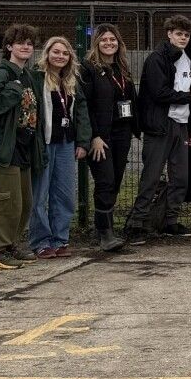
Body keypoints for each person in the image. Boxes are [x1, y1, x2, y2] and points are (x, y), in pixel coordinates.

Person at [122, 15, 191, 245]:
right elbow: (159, 93)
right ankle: (136, 225)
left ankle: (170, 221)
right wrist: (189, 96)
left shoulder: (189, 60)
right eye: (179, 34)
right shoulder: (156, 59)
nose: (183, 38)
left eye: (187, 35)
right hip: (160, 125)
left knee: (180, 178)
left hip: (181, 125)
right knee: (150, 177)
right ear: (169, 34)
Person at [0, 24, 45, 269]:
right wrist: (13, 91)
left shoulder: (27, 75)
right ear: (9, 47)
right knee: (4, 200)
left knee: (23, 201)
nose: (26, 47)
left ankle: (12, 244)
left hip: (21, 146)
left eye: (30, 44)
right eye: (20, 42)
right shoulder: (2, 74)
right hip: (1, 148)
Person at [28, 36, 91, 259]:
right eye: (56, 52)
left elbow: (81, 112)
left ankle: (60, 239)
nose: (60, 56)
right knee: (40, 195)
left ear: (70, 57)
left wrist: (83, 141)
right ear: (47, 54)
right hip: (44, 143)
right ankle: (40, 241)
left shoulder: (72, 81)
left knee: (64, 195)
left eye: (64, 53)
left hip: (66, 143)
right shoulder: (36, 79)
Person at [79, 24, 138, 252]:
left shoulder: (121, 68)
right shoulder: (88, 69)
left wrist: (136, 128)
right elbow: (86, 106)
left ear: (119, 43)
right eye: (104, 40)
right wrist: (93, 135)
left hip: (122, 132)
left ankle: (104, 228)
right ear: (96, 43)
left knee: (115, 181)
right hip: (101, 136)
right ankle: (105, 235)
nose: (108, 43)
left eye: (112, 39)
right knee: (104, 180)